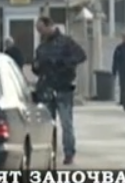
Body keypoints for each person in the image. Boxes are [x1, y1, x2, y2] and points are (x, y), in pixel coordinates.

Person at [32, 16, 86, 165]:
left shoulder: (66, 42)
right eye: (38, 30)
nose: (40, 33)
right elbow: (37, 67)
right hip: (47, 88)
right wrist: (37, 67)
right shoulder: (42, 47)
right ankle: (49, 153)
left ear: (50, 26)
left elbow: (81, 56)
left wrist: (64, 64)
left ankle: (69, 153)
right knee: (48, 123)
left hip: (64, 87)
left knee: (66, 123)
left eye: (41, 29)